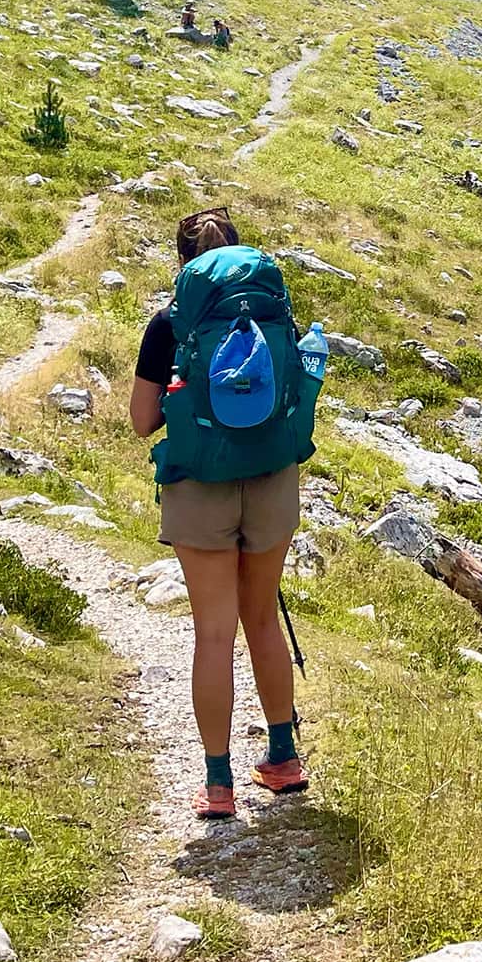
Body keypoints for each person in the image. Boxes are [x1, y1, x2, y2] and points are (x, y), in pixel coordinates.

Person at [131, 206, 320, 817]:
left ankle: (218, 784)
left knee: (214, 632)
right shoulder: (273, 315)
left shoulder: (170, 325)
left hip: (200, 485)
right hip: (271, 478)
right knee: (261, 618)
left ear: (184, 265)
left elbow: (141, 422)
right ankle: (284, 758)